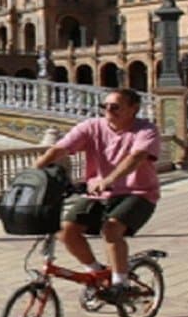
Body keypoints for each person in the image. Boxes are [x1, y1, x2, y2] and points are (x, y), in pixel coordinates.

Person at [34, 88, 161, 303]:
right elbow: (60, 148)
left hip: (138, 193)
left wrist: (109, 180)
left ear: (134, 109)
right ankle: (97, 273)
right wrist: (33, 172)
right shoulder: (91, 126)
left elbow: (137, 157)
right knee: (66, 231)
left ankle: (120, 283)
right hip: (99, 194)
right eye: (105, 106)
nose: (108, 110)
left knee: (111, 230)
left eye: (115, 107)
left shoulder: (146, 130)